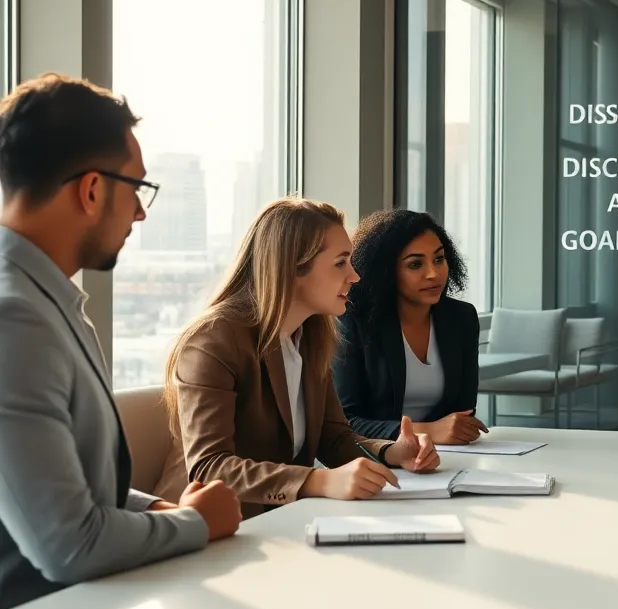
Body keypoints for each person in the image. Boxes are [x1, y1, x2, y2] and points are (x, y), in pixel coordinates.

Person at [0, 74, 240, 609]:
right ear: (91, 190)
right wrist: (196, 522)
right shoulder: (14, 320)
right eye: (136, 188)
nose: (140, 212)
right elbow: (68, 543)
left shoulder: (48, 304)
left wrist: (157, 508)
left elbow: (64, 482)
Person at [155, 198, 440, 519]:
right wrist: (318, 480)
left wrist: (391, 452)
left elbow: (333, 440)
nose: (354, 276)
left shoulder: (311, 336)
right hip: (205, 529)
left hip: (278, 520)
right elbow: (209, 467)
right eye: (340, 263)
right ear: (292, 267)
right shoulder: (212, 340)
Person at [334, 209, 485, 444]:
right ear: (385, 271)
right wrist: (427, 431)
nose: (433, 274)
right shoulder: (352, 321)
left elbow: (463, 415)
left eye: (439, 259)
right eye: (415, 264)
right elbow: (346, 421)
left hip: (444, 458)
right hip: (373, 457)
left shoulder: (461, 317)